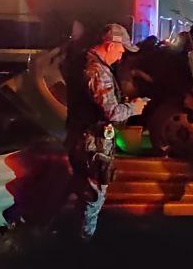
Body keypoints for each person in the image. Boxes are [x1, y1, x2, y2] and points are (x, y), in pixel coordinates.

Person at [63, 23, 149, 240]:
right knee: (94, 195)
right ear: (110, 46)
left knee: (83, 190)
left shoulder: (87, 63)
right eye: (121, 51)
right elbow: (112, 112)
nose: (121, 57)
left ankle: (69, 235)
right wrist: (134, 108)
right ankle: (82, 244)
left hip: (83, 138)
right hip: (90, 143)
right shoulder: (97, 71)